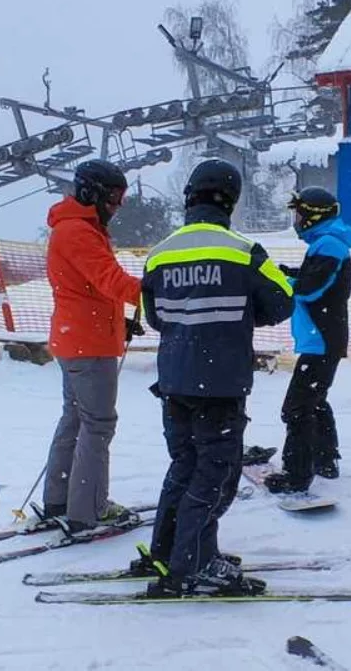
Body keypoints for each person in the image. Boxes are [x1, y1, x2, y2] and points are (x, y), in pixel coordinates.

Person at [138, 158, 293, 596]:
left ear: (189, 197)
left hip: (174, 382)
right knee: (216, 475)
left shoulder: (159, 252)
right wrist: (240, 317)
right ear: (231, 200)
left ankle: (167, 550)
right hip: (221, 384)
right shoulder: (243, 251)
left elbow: (154, 318)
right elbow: (282, 302)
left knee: (184, 466)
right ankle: (196, 563)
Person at [41, 159, 143, 532]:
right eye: (113, 198)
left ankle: (60, 498)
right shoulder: (78, 232)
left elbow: (91, 289)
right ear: (91, 194)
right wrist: (157, 289)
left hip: (78, 337)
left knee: (76, 418)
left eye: (121, 198)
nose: (117, 206)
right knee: (98, 424)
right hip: (88, 344)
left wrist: (123, 318)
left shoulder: (76, 228)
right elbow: (110, 280)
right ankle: (88, 510)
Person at [263, 186, 351, 493]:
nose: (296, 220)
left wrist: (282, 280)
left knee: (297, 408)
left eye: (300, 214)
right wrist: (289, 272)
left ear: (315, 216)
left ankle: (296, 475)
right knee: (315, 400)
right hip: (324, 336)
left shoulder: (330, 244)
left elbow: (311, 288)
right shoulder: (326, 242)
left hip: (322, 337)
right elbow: (314, 276)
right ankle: (325, 459)